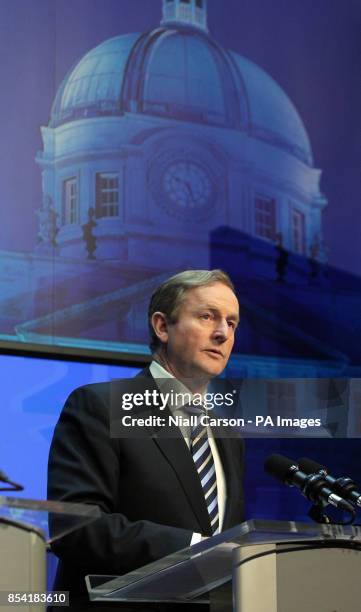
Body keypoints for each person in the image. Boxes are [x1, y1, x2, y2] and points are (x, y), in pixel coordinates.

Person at [48, 269, 245, 611]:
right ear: (162, 326)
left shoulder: (226, 435)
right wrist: (197, 549)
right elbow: (76, 527)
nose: (221, 333)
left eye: (231, 323)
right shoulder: (99, 405)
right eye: (207, 316)